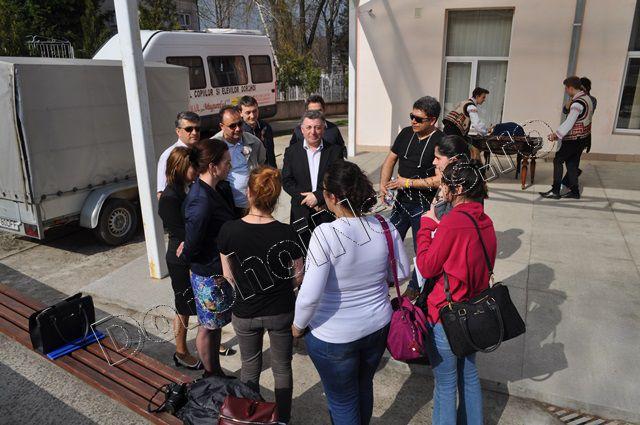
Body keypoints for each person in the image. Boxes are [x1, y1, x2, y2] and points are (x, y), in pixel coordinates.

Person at [292, 160, 410, 425]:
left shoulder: (325, 233)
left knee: (342, 401)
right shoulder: (384, 225)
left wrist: (297, 327)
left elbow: (310, 295)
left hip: (334, 335)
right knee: (363, 386)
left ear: (333, 197)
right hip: (377, 326)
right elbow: (402, 273)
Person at [219, 166, 305, 424]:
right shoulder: (287, 232)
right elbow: (299, 276)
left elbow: (228, 276)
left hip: (245, 311)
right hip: (280, 310)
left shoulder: (229, 230)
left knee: (250, 367)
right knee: (282, 367)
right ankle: (283, 419)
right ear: (276, 197)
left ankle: (250, 416)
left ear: (248, 193)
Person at [415, 161, 496, 425]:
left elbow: (427, 266)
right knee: (469, 376)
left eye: (445, 185)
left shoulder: (452, 222)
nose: (443, 190)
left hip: (447, 315)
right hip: (474, 313)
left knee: (446, 384)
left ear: (458, 189)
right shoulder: (485, 220)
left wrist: (427, 226)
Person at [180, 138, 236, 377]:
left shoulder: (211, 190)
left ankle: (215, 372)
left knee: (215, 326)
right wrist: (187, 251)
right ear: (213, 167)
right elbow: (192, 244)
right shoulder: (201, 201)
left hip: (214, 271)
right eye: (226, 162)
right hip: (208, 274)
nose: (230, 166)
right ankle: (211, 375)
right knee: (208, 327)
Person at [379, 96, 443, 300]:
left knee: (421, 249)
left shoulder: (440, 141)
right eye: (411, 116)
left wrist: (407, 183)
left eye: (418, 119)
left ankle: (416, 286)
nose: (413, 121)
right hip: (401, 202)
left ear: (432, 120)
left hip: (424, 206)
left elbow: (439, 179)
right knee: (388, 243)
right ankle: (388, 277)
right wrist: (383, 184)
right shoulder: (406, 133)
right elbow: (390, 159)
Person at [158, 147, 202, 370]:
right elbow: (180, 231)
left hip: (191, 252)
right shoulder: (169, 197)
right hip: (180, 257)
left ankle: (208, 343)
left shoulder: (188, 187)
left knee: (201, 303)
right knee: (184, 306)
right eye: (192, 166)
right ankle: (181, 351)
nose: (197, 170)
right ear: (180, 167)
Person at [282, 110, 343, 246]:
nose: (313, 132)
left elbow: (337, 180)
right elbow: (287, 181)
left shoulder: (335, 151)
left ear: (324, 129)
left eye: (317, 127)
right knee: (302, 250)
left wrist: (318, 196)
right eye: (308, 127)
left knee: (329, 249)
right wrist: (307, 199)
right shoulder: (291, 152)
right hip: (300, 212)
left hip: (326, 211)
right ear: (302, 129)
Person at [540, 76, 594, 200]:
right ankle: (574, 192)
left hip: (573, 139)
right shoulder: (587, 98)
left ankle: (555, 191)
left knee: (558, 160)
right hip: (583, 138)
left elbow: (570, 122)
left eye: (566, 88)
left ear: (570, 88)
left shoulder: (577, 103)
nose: (566, 91)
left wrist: (557, 134)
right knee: (572, 164)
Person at [212, 105, 266, 216]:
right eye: (232, 126)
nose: (237, 129)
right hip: (226, 207)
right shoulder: (213, 146)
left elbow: (261, 163)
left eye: (240, 124)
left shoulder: (254, 142)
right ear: (222, 126)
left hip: (252, 205)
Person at [561, 76, 597, 187]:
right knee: (571, 159)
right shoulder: (575, 98)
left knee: (572, 159)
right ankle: (572, 177)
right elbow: (565, 110)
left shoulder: (591, 100)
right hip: (570, 133)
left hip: (580, 135)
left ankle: (569, 181)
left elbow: (587, 114)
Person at [157, 111, 201, 198]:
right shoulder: (169, 155)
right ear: (178, 131)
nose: (194, 132)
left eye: (197, 129)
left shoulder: (201, 151)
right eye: (189, 129)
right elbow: (161, 193)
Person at [239, 95, 277, 168]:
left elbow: (270, 154)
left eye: (254, 111)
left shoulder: (266, 127)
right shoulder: (239, 132)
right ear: (240, 113)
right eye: (248, 112)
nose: (252, 116)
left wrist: (273, 170)